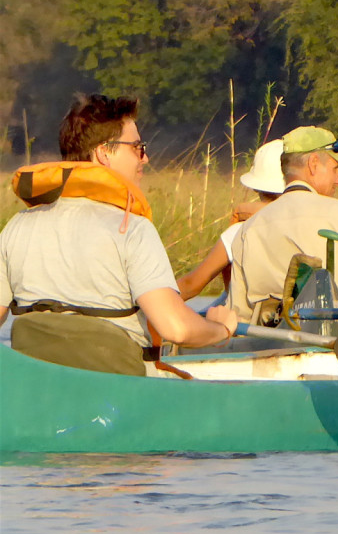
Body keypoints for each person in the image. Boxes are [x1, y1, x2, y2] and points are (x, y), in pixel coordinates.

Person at [0, 93, 238, 376]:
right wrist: (221, 328)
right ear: (104, 152)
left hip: (39, 389)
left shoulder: (17, 226)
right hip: (119, 392)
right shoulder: (132, 229)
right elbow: (177, 328)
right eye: (137, 147)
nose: (145, 158)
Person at [228, 126, 338, 322]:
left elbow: (238, 315)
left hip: (273, 344)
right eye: (335, 170)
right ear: (313, 163)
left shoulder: (248, 229)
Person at [176, 139, 285, 300]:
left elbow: (192, 285)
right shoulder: (312, 226)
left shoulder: (240, 231)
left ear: (256, 187)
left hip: (248, 318)